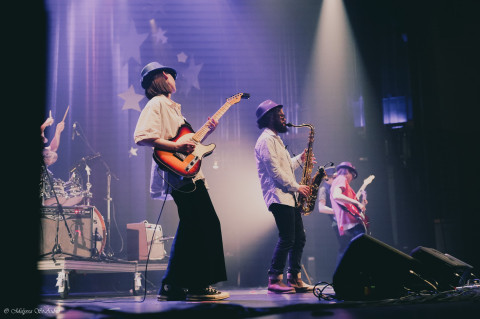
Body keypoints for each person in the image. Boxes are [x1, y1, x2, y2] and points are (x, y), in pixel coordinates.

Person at [133, 61, 229, 301]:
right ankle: (196, 286)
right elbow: (142, 136)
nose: (175, 80)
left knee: (192, 227)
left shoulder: (172, 108)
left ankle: (172, 286)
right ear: (165, 76)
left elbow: (188, 144)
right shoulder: (157, 104)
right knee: (205, 224)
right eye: (172, 76)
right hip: (181, 177)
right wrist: (176, 145)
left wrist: (207, 132)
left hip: (188, 175)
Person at [254, 99, 314, 294]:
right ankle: (274, 278)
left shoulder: (276, 139)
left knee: (299, 238)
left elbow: (286, 167)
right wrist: (298, 187)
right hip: (279, 197)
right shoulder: (265, 140)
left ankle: (294, 277)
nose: (284, 119)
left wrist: (300, 159)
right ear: (269, 118)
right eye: (280, 116)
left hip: (289, 196)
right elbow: (275, 173)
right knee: (287, 237)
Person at [330, 161, 367, 264]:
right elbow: (337, 196)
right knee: (361, 254)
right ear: (348, 172)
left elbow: (355, 208)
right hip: (351, 223)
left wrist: (362, 202)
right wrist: (356, 202)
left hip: (349, 223)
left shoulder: (341, 183)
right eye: (352, 175)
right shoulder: (341, 179)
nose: (351, 178)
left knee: (350, 254)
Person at [317, 167, 341, 244]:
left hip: (343, 221)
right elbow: (321, 208)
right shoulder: (323, 190)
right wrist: (337, 211)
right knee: (344, 244)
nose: (336, 179)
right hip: (335, 222)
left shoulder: (337, 188)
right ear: (326, 178)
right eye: (334, 178)